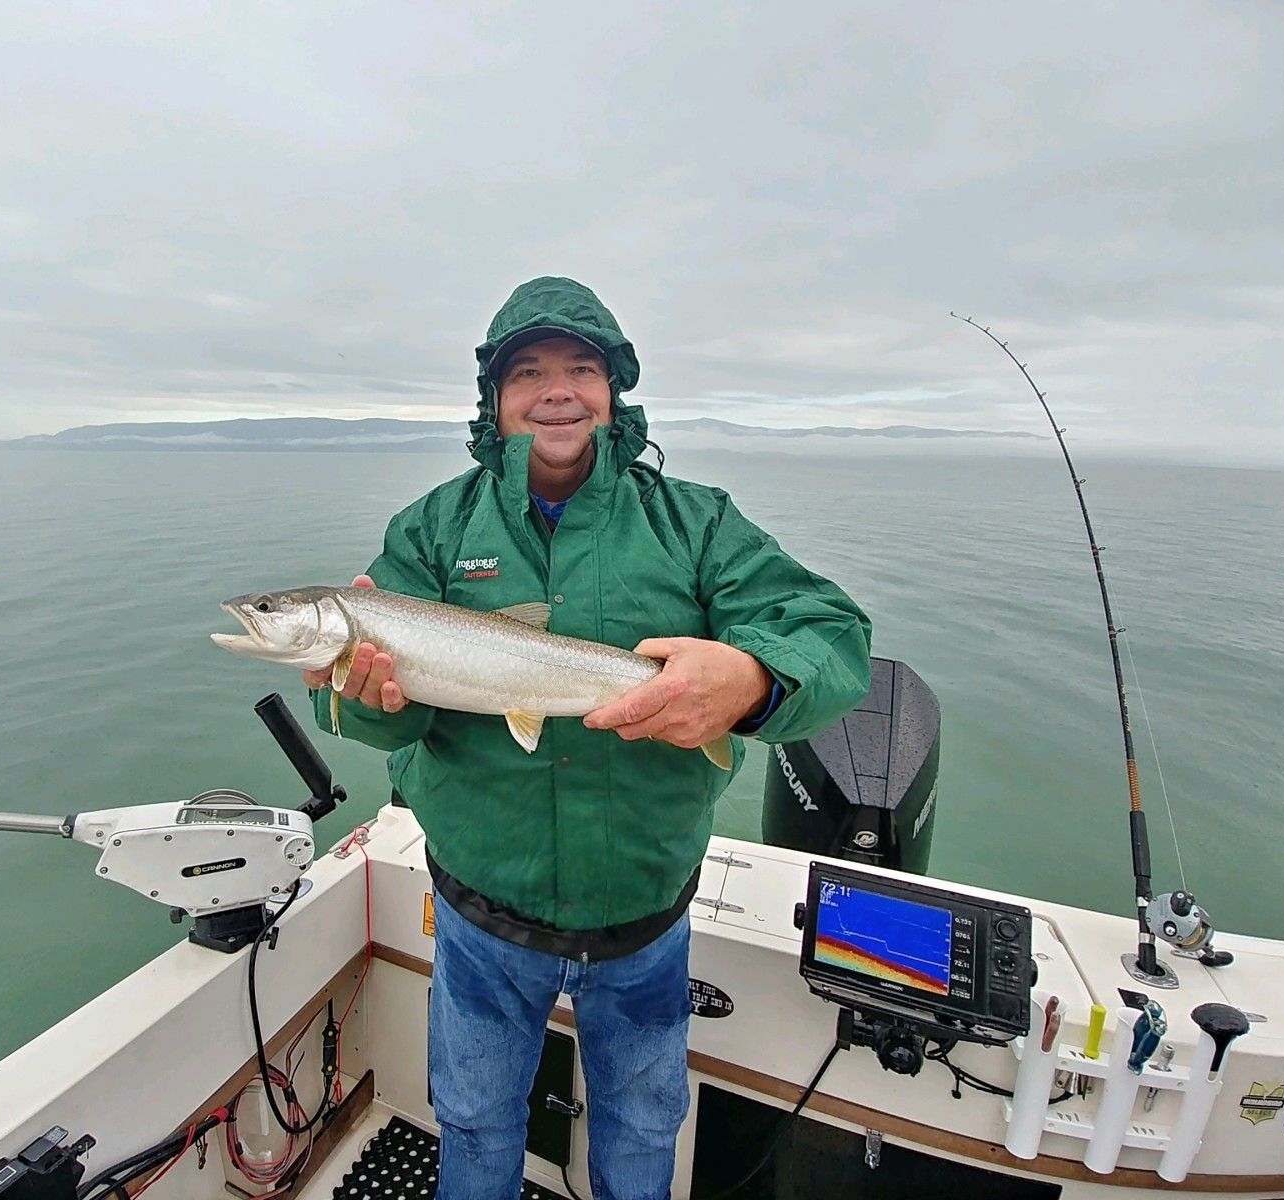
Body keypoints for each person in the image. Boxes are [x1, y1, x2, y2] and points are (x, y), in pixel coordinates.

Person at [306, 277, 871, 1200]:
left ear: (615, 391)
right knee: (474, 1117)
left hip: (645, 914)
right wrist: (363, 696)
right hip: (482, 909)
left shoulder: (697, 522)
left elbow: (832, 634)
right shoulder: (432, 530)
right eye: (528, 372)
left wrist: (751, 680)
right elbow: (391, 720)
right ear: (495, 400)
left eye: (581, 368)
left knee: (642, 1129)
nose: (556, 390)